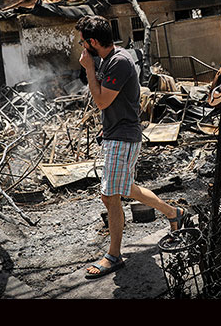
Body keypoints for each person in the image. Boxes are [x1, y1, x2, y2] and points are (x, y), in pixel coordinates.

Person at [75, 14, 188, 279]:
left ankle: (113, 256)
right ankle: (175, 213)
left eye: (83, 42)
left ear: (93, 42)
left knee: (110, 196)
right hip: (117, 133)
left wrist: (89, 69)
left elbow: (102, 101)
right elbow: (114, 102)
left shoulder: (119, 62)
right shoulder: (107, 59)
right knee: (123, 189)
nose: (81, 47)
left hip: (123, 137)